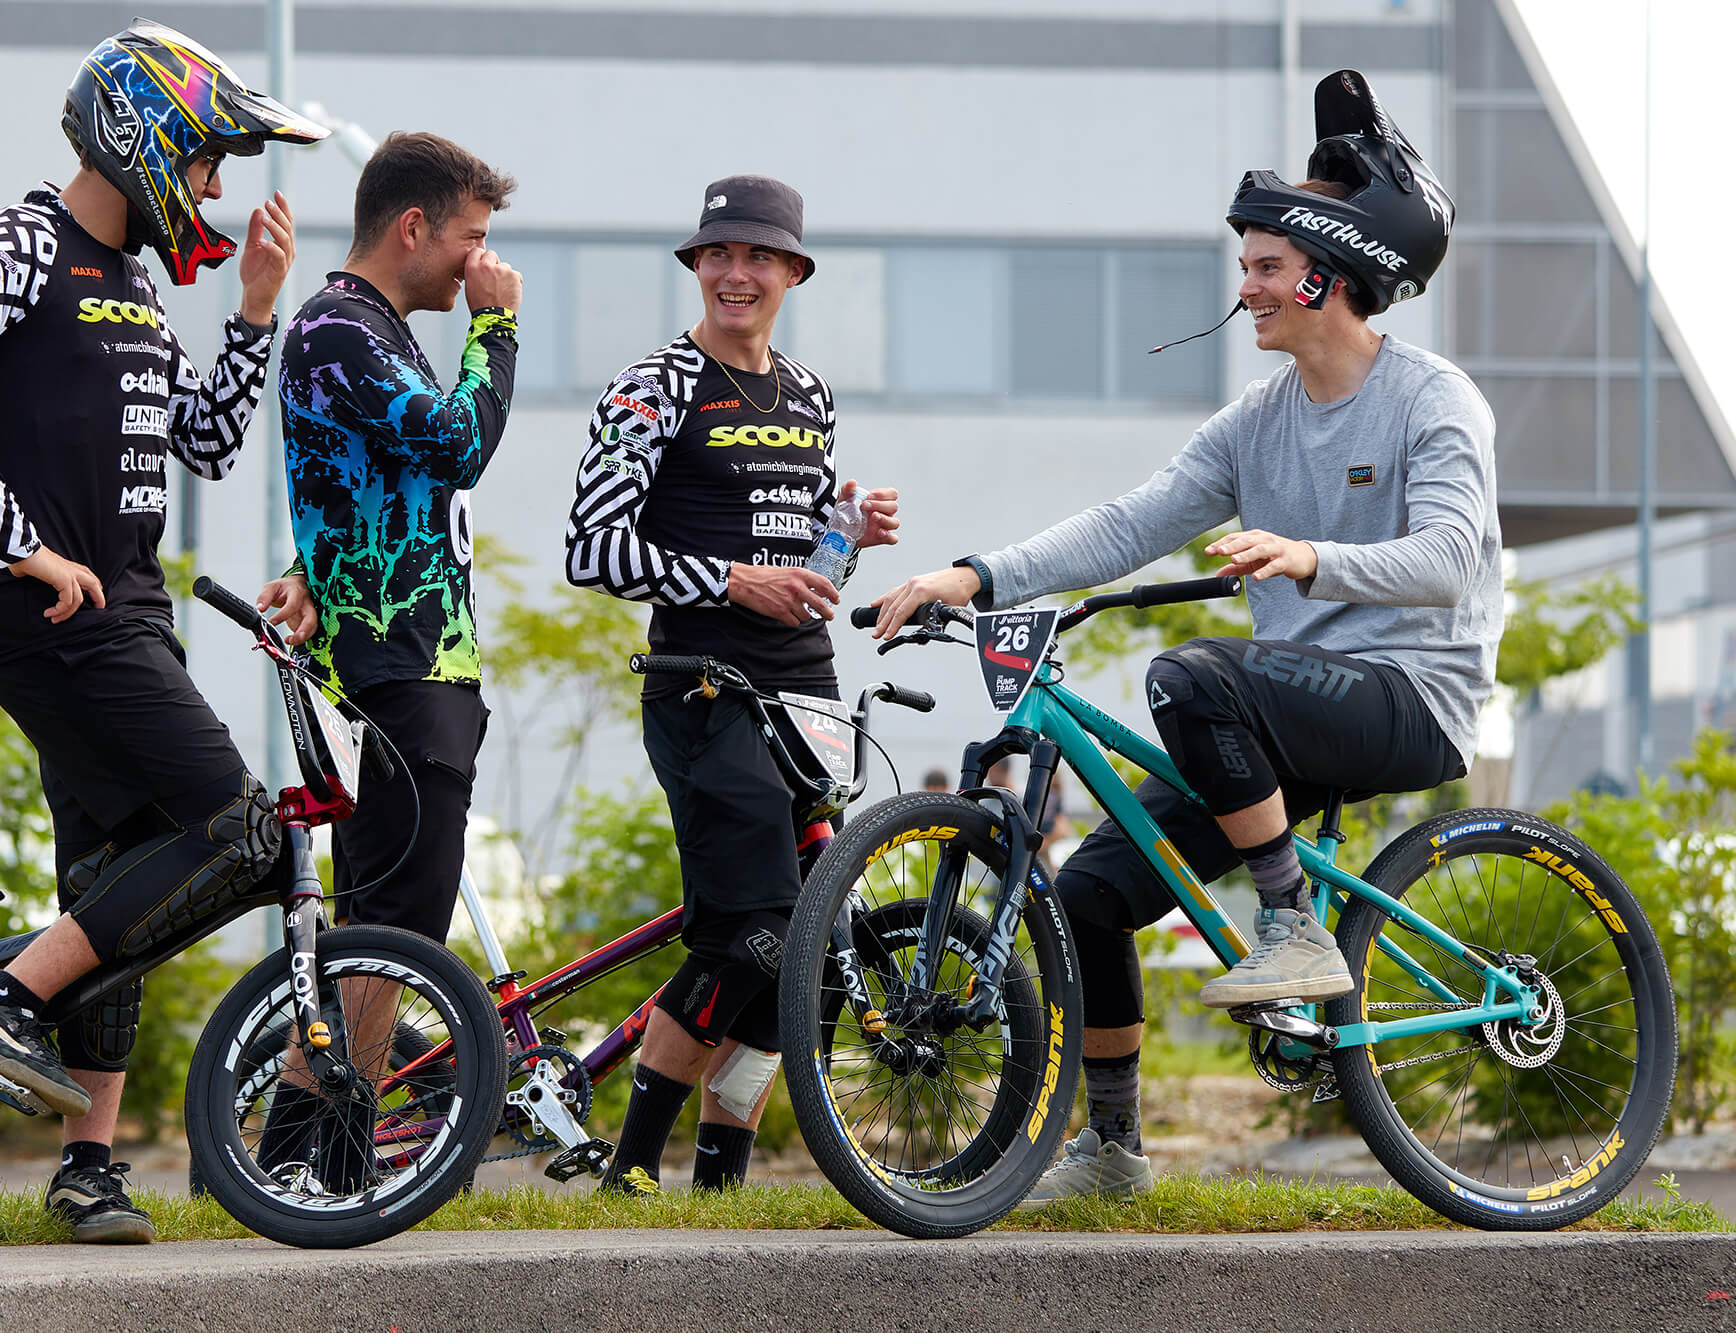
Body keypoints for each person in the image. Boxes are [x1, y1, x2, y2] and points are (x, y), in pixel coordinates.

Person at [870, 70, 1494, 1201]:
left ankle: (1291, 926)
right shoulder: (1253, 420)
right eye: (1244, 265)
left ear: (1326, 275)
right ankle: (1112, 1150)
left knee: (1192, 675)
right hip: (1276, 716)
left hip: (1409, 696)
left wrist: (1309, 558)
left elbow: (1452, 562)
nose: (1243, 286)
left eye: (1262, 267)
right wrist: (966, 572)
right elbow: (1126, 525)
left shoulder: (1430, 398)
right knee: (1090, 894)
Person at [0, 19, 324, 1242]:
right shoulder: (16, 241)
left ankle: (87, 1169)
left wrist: (250, 314)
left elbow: (201, 443)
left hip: (123, 612)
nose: (216, 191)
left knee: (117, 878)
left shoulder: (133, 275)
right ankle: (2, 1006)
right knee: (240, 831)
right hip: (52, 615)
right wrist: (20, 540)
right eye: (206, 162)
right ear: (150, 141)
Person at [565, 175, 900, 1192]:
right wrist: (727, 579)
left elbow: (807, 588)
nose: (734, 273)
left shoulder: (808, 394)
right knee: (755, 929)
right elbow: (592, 548)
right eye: (717, 255)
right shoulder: (653, 384)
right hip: (700, 689)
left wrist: (845, 542)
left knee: (787, 945)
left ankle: (719, 1180)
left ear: (792, 272)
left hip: (807, 695)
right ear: (697, 267)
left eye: (757, 257)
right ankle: (629, 1165)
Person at [251, 134, 519, 1172]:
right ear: (414, 228)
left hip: (419, 660)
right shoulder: (337, 328)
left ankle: (296, 1151)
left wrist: (311, 571)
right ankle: (329, 1154)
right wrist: (495, 328)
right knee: (395, 927)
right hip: (401, 671)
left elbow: (360, 482)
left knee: (386, 919)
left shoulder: (371, 332)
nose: (479, 263)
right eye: (471, 239)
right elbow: (457, 445)